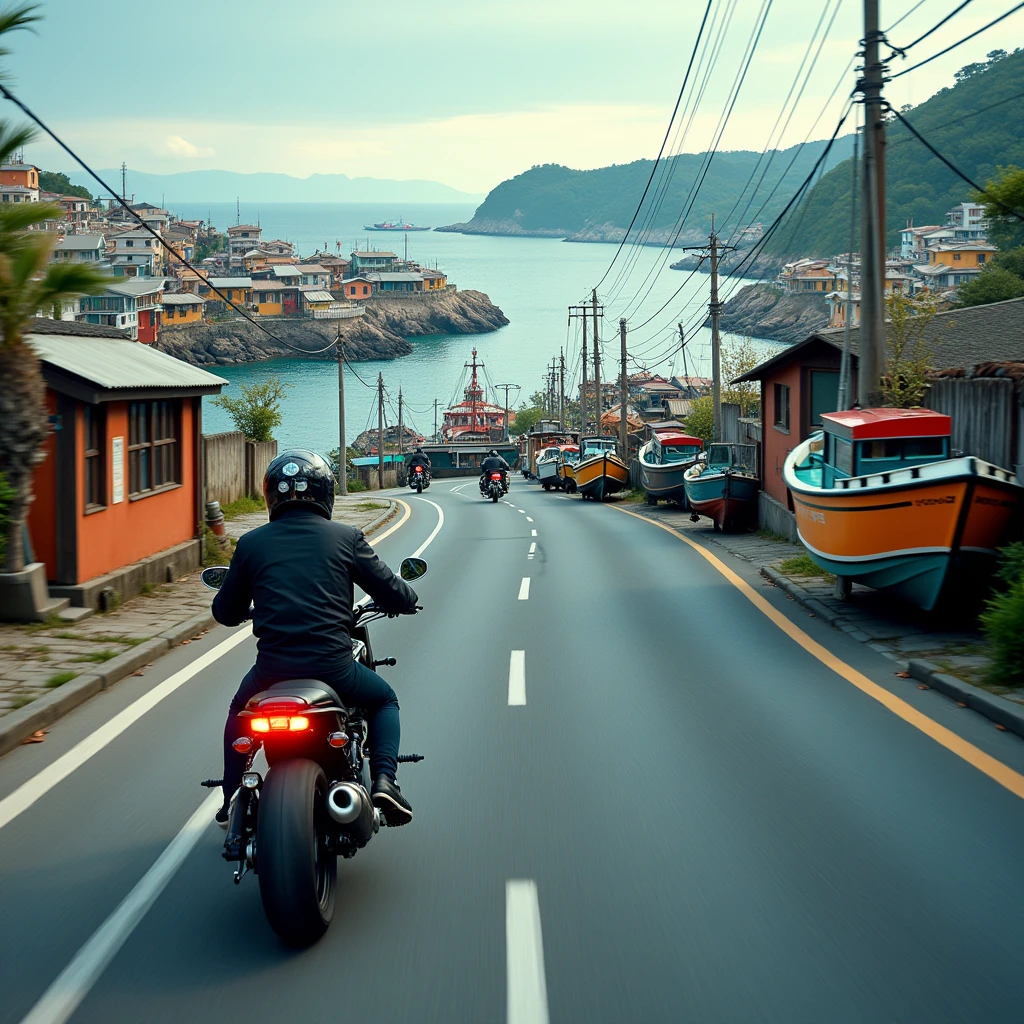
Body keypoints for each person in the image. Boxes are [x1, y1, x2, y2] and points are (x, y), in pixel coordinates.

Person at [211, 448, 419, 838]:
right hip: (334, 669)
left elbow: (225, 612)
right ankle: (385, 783)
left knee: (240, 709)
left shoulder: (251, 545)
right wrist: (406, 599)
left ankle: (231, 792)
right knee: (383, 698)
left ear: (270, 495)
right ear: (327, 494)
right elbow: (391, 590)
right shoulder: (346, 537)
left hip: (271, 673)